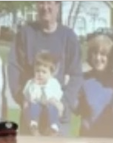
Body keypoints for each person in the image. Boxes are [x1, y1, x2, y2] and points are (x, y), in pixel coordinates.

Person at [8, 1, 82, 136]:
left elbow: (76, 75)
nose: (45, 7)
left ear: (57, 6)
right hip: (31, 116)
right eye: (41, 2)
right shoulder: (25, 33)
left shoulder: (68, 36)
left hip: (58, 117)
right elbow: (14, 68)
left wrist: (63, 104)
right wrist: (23, 99)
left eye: (49, 3)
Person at [21, 51, 64, 136]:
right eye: (37, 71)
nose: (40, 74)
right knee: (34, 105)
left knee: (53, 108)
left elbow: (57, 98)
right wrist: (36, 85)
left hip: (49, 107)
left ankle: (53, 126)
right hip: (36, 108)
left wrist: (53, 101)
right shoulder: (31, 83)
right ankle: (34, 124)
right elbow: (30, 98)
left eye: (44, 72)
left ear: (50, 73)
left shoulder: (54, 83)